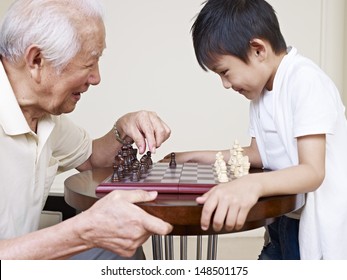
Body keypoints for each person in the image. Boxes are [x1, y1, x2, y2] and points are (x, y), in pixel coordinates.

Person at [164, 0, 347, 259]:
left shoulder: (305, 81)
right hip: (285, 216)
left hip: (319, 224)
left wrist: (252, 184)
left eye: (225, 72)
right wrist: (199, 156)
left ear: (258, 50)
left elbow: (313, 172)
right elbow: (259, 153)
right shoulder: (261, 92)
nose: (225, 85)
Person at [0, 0, 173, 259]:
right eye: (89, 63)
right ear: (36, 60)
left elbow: (90, 157)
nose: (96, 78)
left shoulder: (43, 116)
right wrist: (81, 231)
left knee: (119, 246)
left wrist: (122, 127)